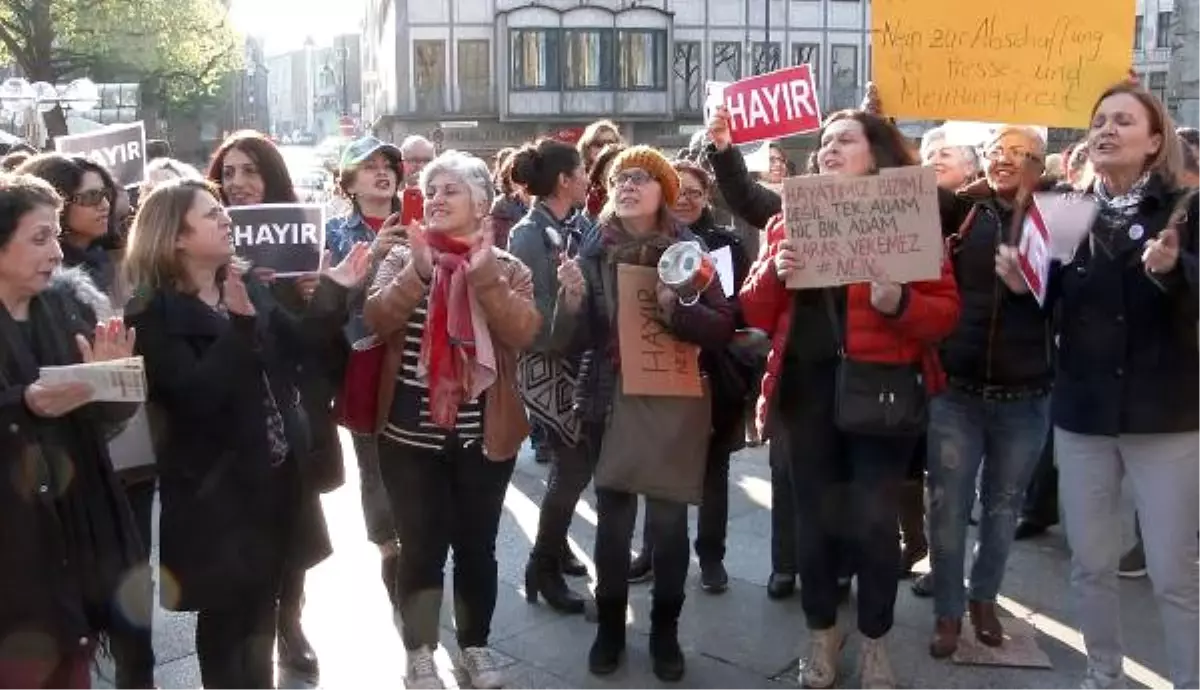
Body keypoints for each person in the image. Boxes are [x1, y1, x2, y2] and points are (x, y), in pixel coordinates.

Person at [739, 109, 960, 688]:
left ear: (876, 153)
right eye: (824, 142)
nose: (830, 149)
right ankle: (821, 633)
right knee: (813, 522)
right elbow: (755, 312)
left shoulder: (911, 220)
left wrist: (899, 305)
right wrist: (773, 276)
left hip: (881, 393)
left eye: (845, 140)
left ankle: (877, 638)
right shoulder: (787, 221)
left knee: (875, 524)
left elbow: (944, 313)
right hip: (806, 396)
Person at [124, 178, 369, 689]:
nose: (227, 220)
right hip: (215, 496)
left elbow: (300, 345)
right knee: (225, 624)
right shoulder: (151, 314)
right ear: (176, 238)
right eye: (211, 215)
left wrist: (333, 290)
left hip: (276, 480)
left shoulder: (249, 284)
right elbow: (193, 397)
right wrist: (237, 329)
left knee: (263, 614)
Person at [996, 80, 1200, 690]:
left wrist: (1177, 270)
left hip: (1163, 415)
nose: (1106, 129)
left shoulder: (1184, 210)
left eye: (1124, 121)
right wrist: (1021, 283)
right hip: (1083, 412)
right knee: (1089, 565)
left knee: (1172, 571)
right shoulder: (1064, 207)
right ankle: (1103, 672)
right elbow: (1049, 304)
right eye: (1099, 120)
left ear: (1154, 140)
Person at [554, 146, 735, 682]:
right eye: (619, 178)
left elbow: (723, 326)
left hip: (673, 403)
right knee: (611, 527)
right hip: (609, 401)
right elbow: (572, 341)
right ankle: (610, 628)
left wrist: (678, 308)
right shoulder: (592, 248)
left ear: (664, 191)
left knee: (669, 524)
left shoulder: (689, 249)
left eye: (640, 177)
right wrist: (569, 302)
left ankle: (664, 633)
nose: (627, 185)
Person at [363, 150, 540, 690]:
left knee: (476, 547)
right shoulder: (402, 257)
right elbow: (375, 318)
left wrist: (486, 279)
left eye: (451, 190)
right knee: (419, 548)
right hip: (407, 437)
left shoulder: (509, 267)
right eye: (431, 190)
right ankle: (419, 651)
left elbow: (525, 332)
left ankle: (476, 646)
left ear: (482, 203)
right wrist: (418, 272)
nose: (436, 199)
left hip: (482, 440)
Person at [0, 173, 145, 690]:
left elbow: (103, 424)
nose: (57, 253)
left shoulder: (68, 309)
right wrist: (25, 403)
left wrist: (110, 382)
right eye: (39, 238)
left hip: (74, 539)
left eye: (57, 235)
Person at [206, 130, 342, 681]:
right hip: (237, 412)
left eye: (249, 171)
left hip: (296, 405)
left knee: (299, 524)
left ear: (273, 178)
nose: (237, 183)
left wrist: (320, 295)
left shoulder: (304, 239)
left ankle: (292, 623)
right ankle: (257, 626)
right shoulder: (207, 239)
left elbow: (328, 347)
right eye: (228, 173)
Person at [922, 126, 1056, 658]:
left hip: (1026, 396)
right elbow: (895, 193)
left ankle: (984, 598)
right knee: (947, 507)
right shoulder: (963, 210)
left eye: (1019, 154)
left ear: (1040, 165)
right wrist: (880, 122)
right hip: (957, 390)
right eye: (997, 151)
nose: (1005, 161)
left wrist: (1031, 288)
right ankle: (949, 610)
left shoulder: (1062, 214)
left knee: (1002, 509)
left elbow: (1082, 298)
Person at [506, 138, 594, 615]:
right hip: (545, 364)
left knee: (572, 464)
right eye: (582, 171)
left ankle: (555, 550)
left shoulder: (576, 224)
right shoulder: (528, 233)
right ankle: (541, 565)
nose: (588, 179)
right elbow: (536, 316)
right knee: (573, 464)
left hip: (575, 358)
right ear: (564, 180)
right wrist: (572, 300)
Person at [324, 135, 407, 608]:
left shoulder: (423, 220)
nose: (382, 172)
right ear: (349, 181)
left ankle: (419, 544)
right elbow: (330, 305)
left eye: (388, 164)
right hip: (364, 360)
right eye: (368, 166)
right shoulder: (336, 233)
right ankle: (389, 551)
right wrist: (374, 256)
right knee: (373, 466)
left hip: (419, 360)